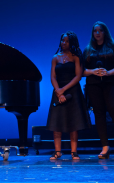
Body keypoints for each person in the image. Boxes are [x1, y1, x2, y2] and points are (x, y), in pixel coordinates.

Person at [83, 21, 114, 160]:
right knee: (99, 114)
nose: (97, 33)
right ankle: (105, 147)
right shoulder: (88, 50)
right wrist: (93, 71)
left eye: (100, 30)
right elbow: (81, 71)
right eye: (95, 31)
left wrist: (108, 73)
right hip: (94, 85)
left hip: (111, 83)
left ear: (105, 32)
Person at [46, 31, 91, 160]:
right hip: (58, 91)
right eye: (62, 40)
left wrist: (63, 90)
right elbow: (53, 77)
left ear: (71, 42)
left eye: (66, 41)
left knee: (74, 122)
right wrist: (58, 91)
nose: (63, 43)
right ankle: (57, 151)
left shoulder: (76, 57)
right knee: (56, 122)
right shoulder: (55, 57)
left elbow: (78, 76)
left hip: (73, 91)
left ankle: (73, 151)